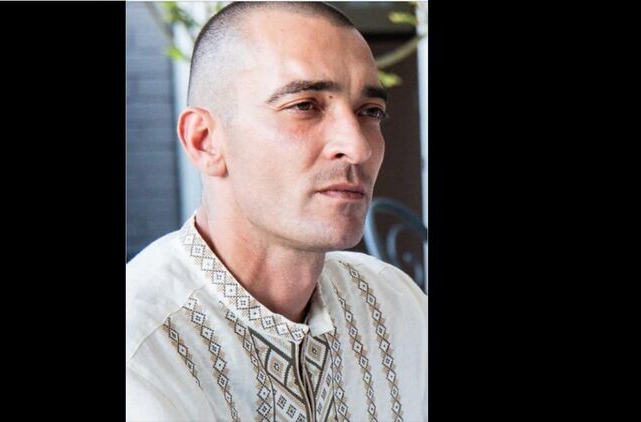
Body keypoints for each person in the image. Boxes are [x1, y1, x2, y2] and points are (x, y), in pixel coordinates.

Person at [126, 2, 427, 421]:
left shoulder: (393, 303)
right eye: (305, 105)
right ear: (205, 141)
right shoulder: (142, 351)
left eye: (370, 112)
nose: (358, 147)